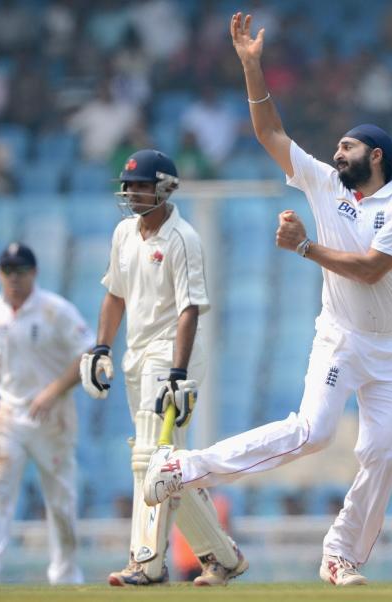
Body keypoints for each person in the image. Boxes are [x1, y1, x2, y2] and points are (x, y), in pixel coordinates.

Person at [143, 13, 392, 588]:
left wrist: (305, 248)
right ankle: (183, 467)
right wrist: (252, 67)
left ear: (376, 155)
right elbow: (270, 134)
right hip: (341, 337)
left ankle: (340, 554)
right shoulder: (326, 183)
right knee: (313, 432)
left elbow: (374, 270)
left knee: (383, 456)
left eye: (347, 146)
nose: (336, 151)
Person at [79, 149, 247, 586]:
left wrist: (178, 373)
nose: (132, 192)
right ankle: (224, 557)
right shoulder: (123, 234)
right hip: (137, 354)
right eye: (128, 185)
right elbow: (115, 295)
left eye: (141, 185)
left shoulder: (182, 238)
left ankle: (146, 563)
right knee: (165, 465)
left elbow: (190, 308)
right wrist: (100, 347)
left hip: (172, 353)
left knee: (149, 459)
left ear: (165, 188)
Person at [0, 243, 92, 586]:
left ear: (34, 273)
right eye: (8, 271)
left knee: (60, 498)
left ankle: (65, 575)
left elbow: (88, 355)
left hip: (53, 418)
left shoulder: (55, 310)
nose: (14, 278)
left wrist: (52, 391)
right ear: (0, 274)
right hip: (9, 415)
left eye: (21, 271)